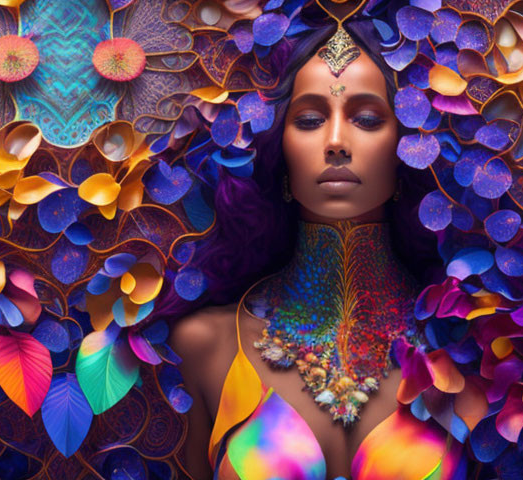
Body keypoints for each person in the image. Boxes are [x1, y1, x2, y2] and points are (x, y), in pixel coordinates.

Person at [170, 13, 463, 480]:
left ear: (406, 149)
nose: (336, 143)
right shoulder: (206, 345)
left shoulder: (467, 349)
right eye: (309, 120)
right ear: (280, 152)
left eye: (366, 119)